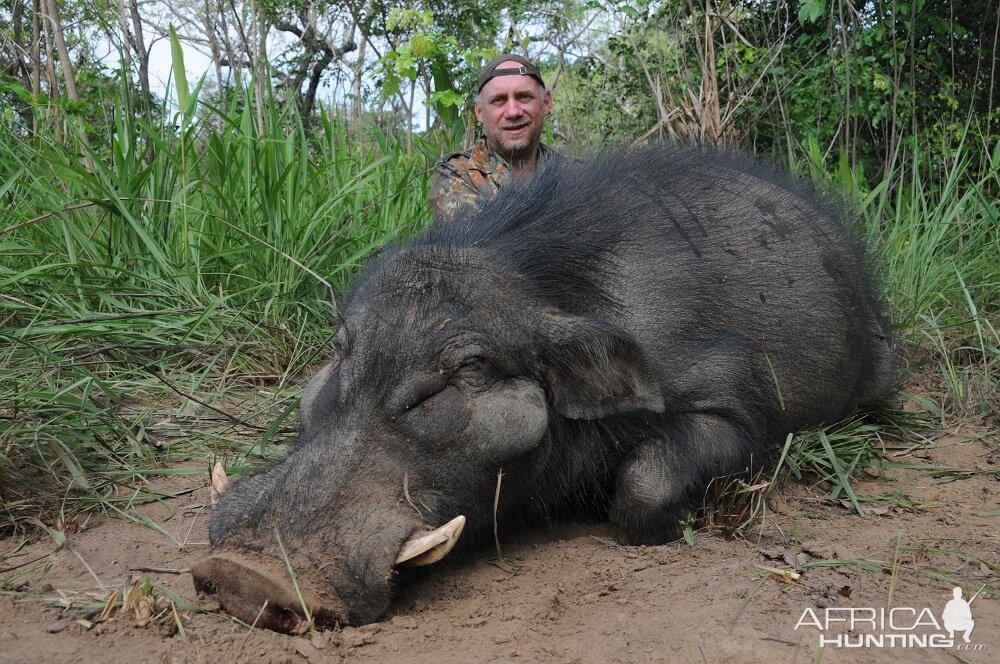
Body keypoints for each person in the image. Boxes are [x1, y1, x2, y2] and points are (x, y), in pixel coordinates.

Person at [429, 53, 560, 223]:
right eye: (499, 100)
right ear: (479, 112)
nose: (513, 112)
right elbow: (479, 243)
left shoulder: (575, 173)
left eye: (524, 97)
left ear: (546, 103)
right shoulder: (456, 174)